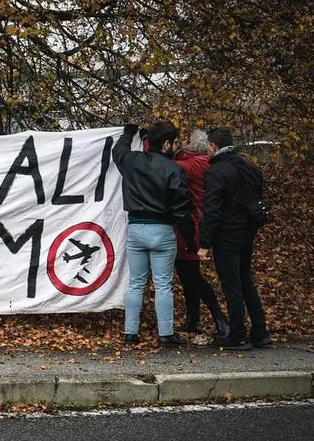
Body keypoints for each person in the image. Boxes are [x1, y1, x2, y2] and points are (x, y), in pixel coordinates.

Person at [113, 122, 196, 346]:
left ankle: (130, 332)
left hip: (136, 228)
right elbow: (182, 209)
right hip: (162, 230)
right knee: (163, 285)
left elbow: (118, 151)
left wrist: (128, 133)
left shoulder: (132, 161)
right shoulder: (173, 169)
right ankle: (166, 333)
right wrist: (189, 239)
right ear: (167, 144)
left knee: (136, 283)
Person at [198, 127, 271, 351]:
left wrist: (204, 243)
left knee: (232, 284)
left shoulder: (216, 172)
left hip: (226, 235)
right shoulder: (250, 167)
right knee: (245, 279)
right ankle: (260, 331)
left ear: (213, 146)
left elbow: (212, 210)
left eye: (207, 147)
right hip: (247, 232)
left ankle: (238, 334)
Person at [172, 129, 230, 338]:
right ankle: (193, 319)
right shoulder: (203, 161)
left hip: (191, 226)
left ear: (195, 145)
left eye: (187, 140)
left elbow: (171, 167)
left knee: (190, 275)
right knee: (188, 275)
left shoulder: (196, 163)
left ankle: (220, 319)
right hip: (194, 224)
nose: (183, 142)